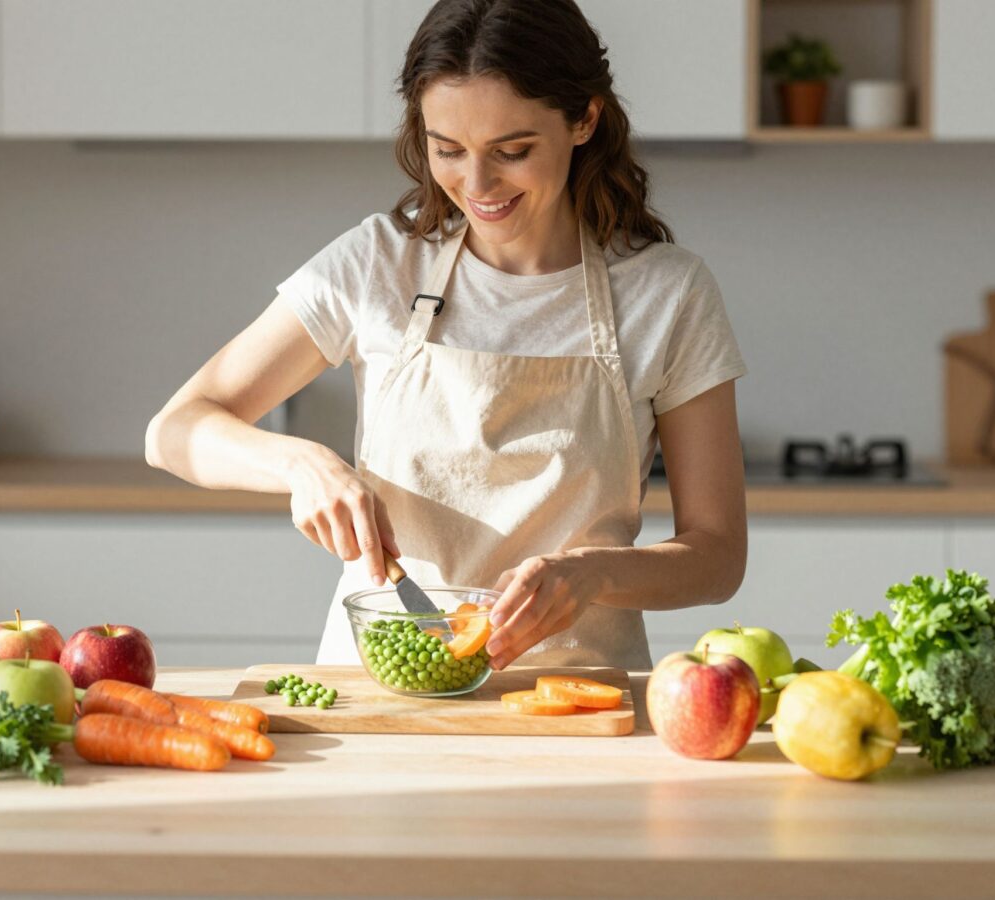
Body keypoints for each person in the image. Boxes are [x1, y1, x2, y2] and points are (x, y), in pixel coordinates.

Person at [145, 0, 747, 673]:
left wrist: (592, 574)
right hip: (379, 689)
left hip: (573, 699)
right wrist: (301, 466)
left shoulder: (668, 292)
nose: (478, 184)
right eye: (447, 150)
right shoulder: (376, 263)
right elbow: (174, 431)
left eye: (512, 151)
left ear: (585, 119)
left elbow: (718, 556)